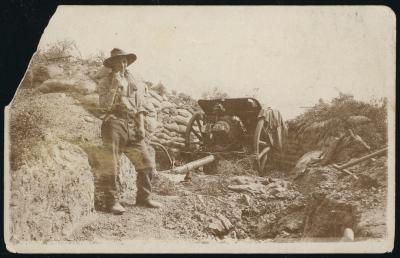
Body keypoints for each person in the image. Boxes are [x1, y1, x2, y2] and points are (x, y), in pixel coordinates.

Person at [98, 48, 161, 215]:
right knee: (111, 163)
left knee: (146, 163)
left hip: (132, 124)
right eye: (118, 61)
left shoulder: (134, 82)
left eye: (124, 61)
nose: (122, 64)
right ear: (111, 64)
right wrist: (114, 85)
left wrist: (140, 125)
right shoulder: (105, 82)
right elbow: (104, 107)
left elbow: (140, 106)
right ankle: (111, 201)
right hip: (113, 124)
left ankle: (144, 197)